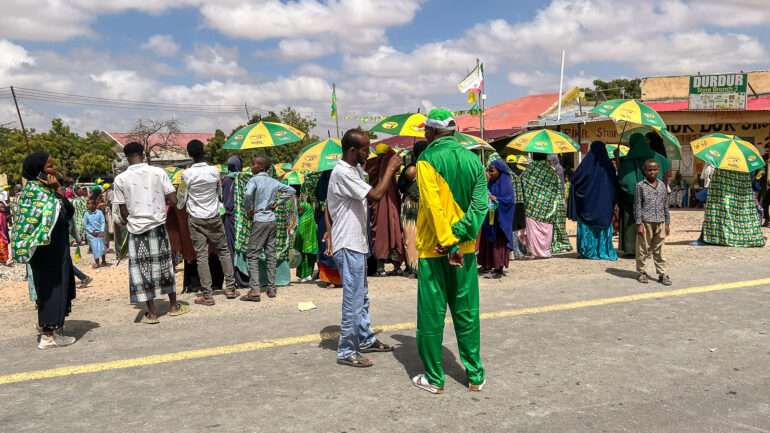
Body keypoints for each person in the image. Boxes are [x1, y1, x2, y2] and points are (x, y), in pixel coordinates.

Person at [411, 109, 487, 394]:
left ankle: (434, 378)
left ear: (431, 133)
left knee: (431, 315)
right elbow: (480, 207)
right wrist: (460, 238)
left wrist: (447, 240)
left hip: (435, 250)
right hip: (465, 251)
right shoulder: (474, 160)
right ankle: (475, 375)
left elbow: (432, 205)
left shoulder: (426, 159)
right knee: (466, 312)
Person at [327, 128, 399, 368]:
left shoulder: (354, 170)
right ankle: (347, 350)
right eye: (365, 149)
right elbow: (376, 194)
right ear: (352, 150)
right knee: (353, 299)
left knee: (362, 297)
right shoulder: (342, 173)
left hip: (356, 243)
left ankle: (365, 337)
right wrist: (390, 169)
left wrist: (382, 162)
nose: (368, 152)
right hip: (348, 244)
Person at [113, 142, 189, 324]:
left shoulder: (120, 179)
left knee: (143, 269)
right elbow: (172, 199)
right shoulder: (158, 172)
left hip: (137, 229)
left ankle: (152, 313)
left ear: (126, 157)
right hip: (158, 226)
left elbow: (123, 212)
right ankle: (173, 306)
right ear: (143, 154)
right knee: (164, 265)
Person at [12, 152, 78, 349]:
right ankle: (49, 335)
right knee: (51, 287)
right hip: (47, 250)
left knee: (55, 286)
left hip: (56, 247)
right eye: (49, 165)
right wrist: (56, 192)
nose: (53, 168)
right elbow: (59, 217)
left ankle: (50, 327)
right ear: (38, 169)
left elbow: (69, 211)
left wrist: (57, 189)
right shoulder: (36, 193)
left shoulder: (44, 190)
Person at [182, 140, 239, 304]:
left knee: (201, 255)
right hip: (214, 216)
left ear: (189, 154)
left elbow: (181, 199)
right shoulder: (215, 171)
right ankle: (230, 288)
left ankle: (207, 295)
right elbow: (219, 194)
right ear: (203, 151)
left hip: (195, 218)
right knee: (223, 251)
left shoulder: (186, 174)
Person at [241, 155, 296, 302]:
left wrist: (248, 209)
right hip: (272, 219)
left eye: (253, 164)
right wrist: (277, 203)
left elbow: (247, 194)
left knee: (252, 254)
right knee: (271, 254)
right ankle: (271, 288)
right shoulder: (273, 181)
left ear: (260, 166)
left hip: (259, 219)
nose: (251, 167)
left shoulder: (254, 180)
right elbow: (291, 191)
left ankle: (254, 290)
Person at [617, 133, 669, 256]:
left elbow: (625, 181)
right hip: (653, 196)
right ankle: (649, 249)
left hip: (631, 199)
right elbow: (664, 176)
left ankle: (630, 249)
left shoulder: (628, 160)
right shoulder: (659, 157)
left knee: (631, 222)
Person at [568, 141, 618, 261]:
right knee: (602, 225)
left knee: (587, 226)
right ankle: (602, 249)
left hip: (587, 204)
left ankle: (587, 251)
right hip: (604, 205)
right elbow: (615, 184)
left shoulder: (586, 165)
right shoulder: (608, 166)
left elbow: (575, 179)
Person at [365, 144, 405, 276]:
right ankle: (395, 264)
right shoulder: (385, 165)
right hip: (390, 201)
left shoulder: (372, 165)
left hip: (380, 204)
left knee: (380, 232)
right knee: (393, 231)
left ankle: (381, 266)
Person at [702, 168, 765, 247]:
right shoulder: (744, 167)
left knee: (723, 212)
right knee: (740, 214)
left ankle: (719, 237)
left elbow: (715, 184)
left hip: (725, 192)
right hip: (741, 193)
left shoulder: (721, 166)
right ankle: (742, 236)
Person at [634, 160, 672, 286]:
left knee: (659, 249)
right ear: (645, 171)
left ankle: (662, 274)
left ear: (658, 170)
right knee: (643, 248)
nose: (652, 172)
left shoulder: (662, 185)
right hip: (646, 222)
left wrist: (667, 223)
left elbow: (665, 205)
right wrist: (639, 223)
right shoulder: (640, 186)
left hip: (660, 221)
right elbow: (637, 205)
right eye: (649, 170)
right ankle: (642, 272)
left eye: (655, 169)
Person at [520, 153, 562, 258]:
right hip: (547, 207)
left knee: (533, 228)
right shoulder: (552, 172)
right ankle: (545, 251)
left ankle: (534, 251)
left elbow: (522, 186)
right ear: (546, 157)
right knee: (546, 228)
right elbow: (557, 188)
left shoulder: (528, 171)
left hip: (531, 207)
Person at [479, 159, 515, 278]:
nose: (490, 173)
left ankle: (498, 266)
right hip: (489, 217)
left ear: (500, 171)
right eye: (489, 170)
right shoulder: (491, 183)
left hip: (500, 220)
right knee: (487, 239)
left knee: (498, 242)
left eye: (492, 171)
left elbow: (509, 201)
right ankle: (487, 264)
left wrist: (497, 199)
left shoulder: (506, 183)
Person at [222, 155, 250, 287]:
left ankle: (236, 279)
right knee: (244, 246)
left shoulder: (226, 180)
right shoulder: (245, 178)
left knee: (232, 248)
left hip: (229, 218)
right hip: (244, 218)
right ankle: (245, 277)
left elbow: (224, 200)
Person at [398, 161, 419, 278]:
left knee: (410, 238)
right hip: (417, 205)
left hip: (411, 205)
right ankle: (416, 268)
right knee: (412, 238)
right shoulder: (415, 168)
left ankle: (414, 268)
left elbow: (401, 185)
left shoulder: (411, 168)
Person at [547, 154, 572, 253]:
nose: (549, 163)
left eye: (550, 161)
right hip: (554, 198)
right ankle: (555, 242)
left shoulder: (558, 169)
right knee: (554, 222)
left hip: (559, 198)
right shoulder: (554, 169)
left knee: (559, 223)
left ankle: (563, 243)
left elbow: (557, 183)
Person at [294, 195, 318, 282]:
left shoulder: (304, 220)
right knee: (305, 259)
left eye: (300, 210)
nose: (298, 211)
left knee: (306, 259)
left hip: (305, 245)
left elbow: (300, 232)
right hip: (307, 246)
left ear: (305, 209)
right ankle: (305, 275)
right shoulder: (310, 218)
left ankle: (307, 275)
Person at [84, 198, 108, 268]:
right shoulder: (86, 214)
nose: (90, 205)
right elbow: (86, 224)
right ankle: (97, 262)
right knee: (95, 248)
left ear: (95, 205)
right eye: (88, 204)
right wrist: (91, 231)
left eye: (91, 204)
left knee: (102, 247)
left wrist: (102, 231)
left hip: (100, 232)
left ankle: (103, 261)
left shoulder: (99, 212)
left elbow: (103, 222)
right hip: (91, 234)